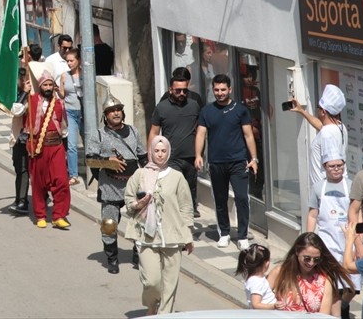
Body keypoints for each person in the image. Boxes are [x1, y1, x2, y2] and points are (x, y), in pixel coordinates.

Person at [123, 135, 195, 315]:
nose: (160, 155)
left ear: (168, 152)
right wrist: (139, 204)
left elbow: (186, 207)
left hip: (173, 236)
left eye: (163, 151)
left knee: (170, 283)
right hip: (146, 235)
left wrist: (188, 236)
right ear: (150, 152)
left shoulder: (177, 177)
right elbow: (128, 198)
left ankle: (164, 315)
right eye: (156, 151)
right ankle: (151, 304)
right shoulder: (140, 174)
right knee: (151, 281)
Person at [194, 73, 258, 250]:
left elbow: (248, 135)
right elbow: (200, 133)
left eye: (223, 89)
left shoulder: (240, 109)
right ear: (213, 90)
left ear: (230, 89)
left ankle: (243, 235)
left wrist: (254, 159)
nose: (220, 93)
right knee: (220, 199)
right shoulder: (207, 111)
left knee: (241, 198)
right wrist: (198, 155)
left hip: (238, 161)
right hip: (216, 162)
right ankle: (224, 232)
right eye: (216, 90)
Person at [86, 94, 145, 274]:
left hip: (133, 186)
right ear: (106, 114)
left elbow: (142, 155)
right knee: (109, 224)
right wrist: (107, 160)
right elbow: (90, 160)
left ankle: (138, 253)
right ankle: (111, 257)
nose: (116, 113)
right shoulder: (98, 135)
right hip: (110, 187)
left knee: (139, 222)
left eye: (118, 109)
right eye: (112, 111)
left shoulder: (134, 131)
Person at [308, 147, 361, 318]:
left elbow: (358, 213)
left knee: (353, 285)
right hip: (327, 242)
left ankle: (343, 306)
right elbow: (313, 214)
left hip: (349, 241)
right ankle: (336, 314)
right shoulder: (317, 188)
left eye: (339, 165)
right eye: (332, 166)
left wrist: (359, 241)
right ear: (325, 166)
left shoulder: (352, 185)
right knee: (332, 284)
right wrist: (308, 238)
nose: (336, 169)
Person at [149, 67, 205, 215]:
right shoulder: (162, 106)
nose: (182, 94)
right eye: (178, 91)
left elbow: (202, 130)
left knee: (190, 187)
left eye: (184, 91)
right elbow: (154, 132)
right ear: (170, 89)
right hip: (171, 157)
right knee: (173, 189)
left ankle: (188, 218)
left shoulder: (195, 104)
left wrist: (200, 154)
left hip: (191, 156)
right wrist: (151, 158)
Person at [21, 69, 71, 229]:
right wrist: (24, 93)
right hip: (38, 147)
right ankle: (41, 214)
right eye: (45, 85)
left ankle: (59, 216)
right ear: (40, 86)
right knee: (38, 183)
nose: (48, 88)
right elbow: (15, 111)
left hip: (56, 146)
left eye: (50, 85)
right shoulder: (31, 100)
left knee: (62, 182)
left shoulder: (59, 103)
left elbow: (64, 127)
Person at [290, 83, 349, 194]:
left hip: (326, 194)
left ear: (323, 112)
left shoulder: (327, 134)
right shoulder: (340, 126)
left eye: (318, 108)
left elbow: (334, 168)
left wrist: (327, 197)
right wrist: (302, 111)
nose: (317, 110)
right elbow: (320, 126)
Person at [271, 231, 350, 313]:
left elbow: (323, 315)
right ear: (297, 251)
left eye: (316, 259)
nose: (311, 263)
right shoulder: (279, 272)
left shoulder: (324, 281)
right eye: (307, 258)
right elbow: (259, 300)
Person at [58, 43, 84, 185]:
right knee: (72, 145)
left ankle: (94, 171)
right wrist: (57, 90)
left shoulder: (85, 75)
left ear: (78, 60)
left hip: (84, 113)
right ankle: (73, 175)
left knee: (89, 143)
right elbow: (62, 95)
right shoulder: (64, 76)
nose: (69, 63)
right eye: (67, 61)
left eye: (71, 60)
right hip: (70, 112)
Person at [8, 68, 32, 214]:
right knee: (20, 169)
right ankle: (20, 199)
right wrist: (24, 93)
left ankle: (23, 201)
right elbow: (16, 110)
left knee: (26, 170)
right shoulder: (18, 94)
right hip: (19, 138)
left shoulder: (34, 94)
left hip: (33, 139)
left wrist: (28, 93)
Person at [236, 243, 279, 309]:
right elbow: (256, 304)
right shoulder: (256, 282)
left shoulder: (256, 279)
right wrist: (274, 306)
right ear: (267, 264)